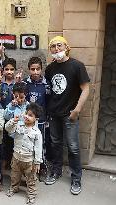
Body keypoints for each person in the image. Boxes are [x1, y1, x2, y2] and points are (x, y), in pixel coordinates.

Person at [44, 36, 90, 195]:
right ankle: (56, 171)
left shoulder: (77, 66)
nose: (56, 49)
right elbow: (49, 91)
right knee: (56, 143)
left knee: (73, 147)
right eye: (53, 47)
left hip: (70, 114)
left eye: (59, 45)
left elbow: (85, 89)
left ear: (66, 47)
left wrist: (77, 110)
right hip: (54, 113)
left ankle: (76, 177)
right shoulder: (49, 69)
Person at [5, 102, 43, 205]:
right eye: (26, 113)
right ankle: (14, 188)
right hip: (16, 157)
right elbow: (7, 129)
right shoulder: (18, 124)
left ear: (36, 119)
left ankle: (31, 195)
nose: (26, 116)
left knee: (31, 179)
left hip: (29, 161)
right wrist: (13, 120)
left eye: (30, 115)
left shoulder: (37, 132)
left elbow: (39, 148)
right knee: (14, 175)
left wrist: (37, 162)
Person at [24, 56, 51, 181]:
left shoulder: (46, 85)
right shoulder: (25, 83)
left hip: (41, 121)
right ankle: (28, 169)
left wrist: (47, 119)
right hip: (28, 121)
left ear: (41, 69)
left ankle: (42, 167)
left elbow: (49, 102)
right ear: (29, 69)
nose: (35, 72)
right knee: (28, 144)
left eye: (38, 69)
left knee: (42, 144)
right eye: (32, 69)